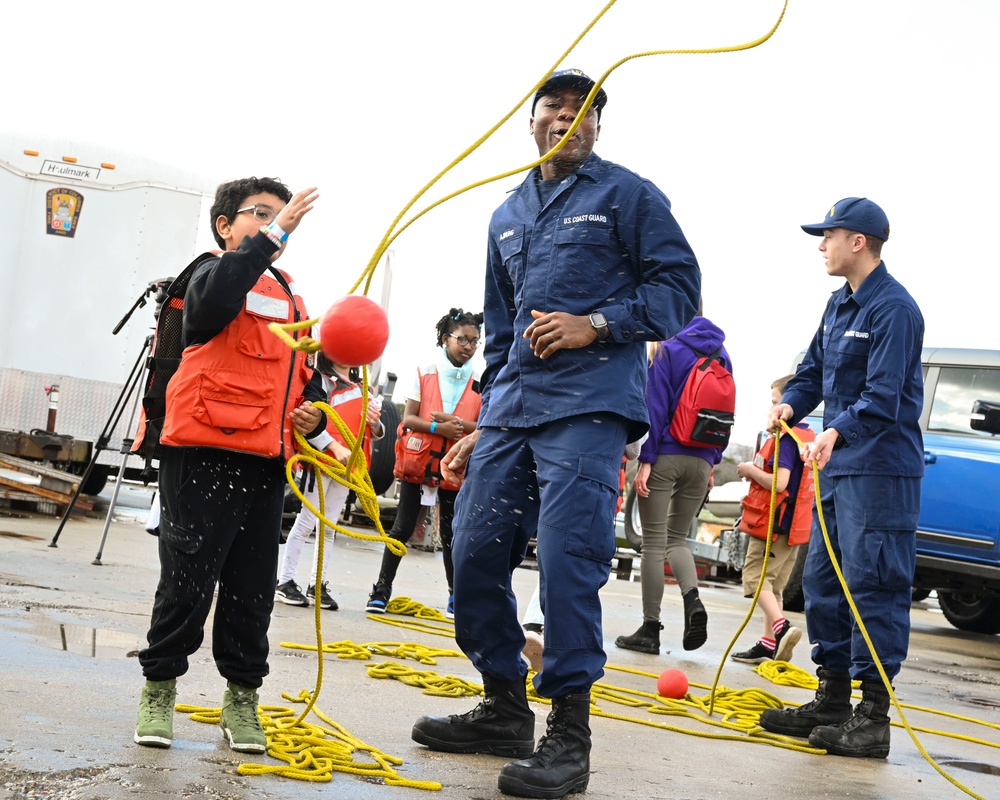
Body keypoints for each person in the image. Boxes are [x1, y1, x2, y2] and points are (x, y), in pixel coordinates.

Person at [410, 70, 700, 800]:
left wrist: (594, 325)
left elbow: (678, 295)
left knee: (570, 564)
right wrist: (482, 423)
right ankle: (505, 704)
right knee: (471, 553)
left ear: (598, 128)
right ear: (531, 122)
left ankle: (569, 735)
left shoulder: (628, 196)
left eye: (581, 114)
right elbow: (502, 334)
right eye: (553, 111)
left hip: (590, 407)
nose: (565, 122)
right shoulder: (506, 212)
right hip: (512, 412)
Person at [133, 177, 335, 754]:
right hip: (201, 455)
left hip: (266, 465)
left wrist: (316, 421)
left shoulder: (292, 297)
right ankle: (160, 689)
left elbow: (308, 381)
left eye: (282, 215)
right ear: (226, 226)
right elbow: (212, 307)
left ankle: (241, 701)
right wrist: (274, 235)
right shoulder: (210, 274)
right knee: (186, 583)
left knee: (253, 592)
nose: (280, 222)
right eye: (262, 214)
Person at [759, 198, 924, 760]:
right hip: (837, 469)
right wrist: (793, 407)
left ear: (859, 242)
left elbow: (882, 395)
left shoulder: (894, 310)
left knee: (874, 586)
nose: (820, 245)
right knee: (824, 585)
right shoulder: (838, 305)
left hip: (879, 471)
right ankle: (830, 700)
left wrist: (836, 431)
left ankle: (873, 717)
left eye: (828, 235)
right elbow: (811, 373)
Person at [615, 314, 730, 655]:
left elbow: (655, 406)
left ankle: (650, 629)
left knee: (653, 544)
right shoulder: (722, 352)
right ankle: (693, 601)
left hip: (666, 454)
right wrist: (713, 460)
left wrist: (646, 459)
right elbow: (724, 409)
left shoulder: (665, 349)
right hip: (703, 458)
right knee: (678, 539)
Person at [366, 309, 483, 618]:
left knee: (450, 532)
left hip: (453, 465)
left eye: (475, 341)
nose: (469, 346)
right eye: (463, 339)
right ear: (446, 338)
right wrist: (437, 428)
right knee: (402, 526)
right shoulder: (425, 370)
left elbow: (483, 425)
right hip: (419, 462)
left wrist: (455, 424)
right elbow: (409, 418)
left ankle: (456, 596)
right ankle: (381, 589)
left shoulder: (481, 380)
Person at [276, 352, 384, 610]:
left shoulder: (363, 388)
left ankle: (318, 585)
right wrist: (333, 448)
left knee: (329, 527)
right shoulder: (321, 381)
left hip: (349, 467)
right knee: (306, 522)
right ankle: (285, 581)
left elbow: (376, 433)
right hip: (323, 462)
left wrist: (376, 423)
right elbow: (309, 421)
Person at [730, 375, 814, 665]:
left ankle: (781, 628)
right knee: (774, 587)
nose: (772, 410)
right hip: (795, 528)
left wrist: (750, 471)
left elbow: (780, 483)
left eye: (776, 403)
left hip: (773, 526)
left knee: (755, 580)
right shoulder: (806, 438)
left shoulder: (787, 441)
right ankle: (768, 645)